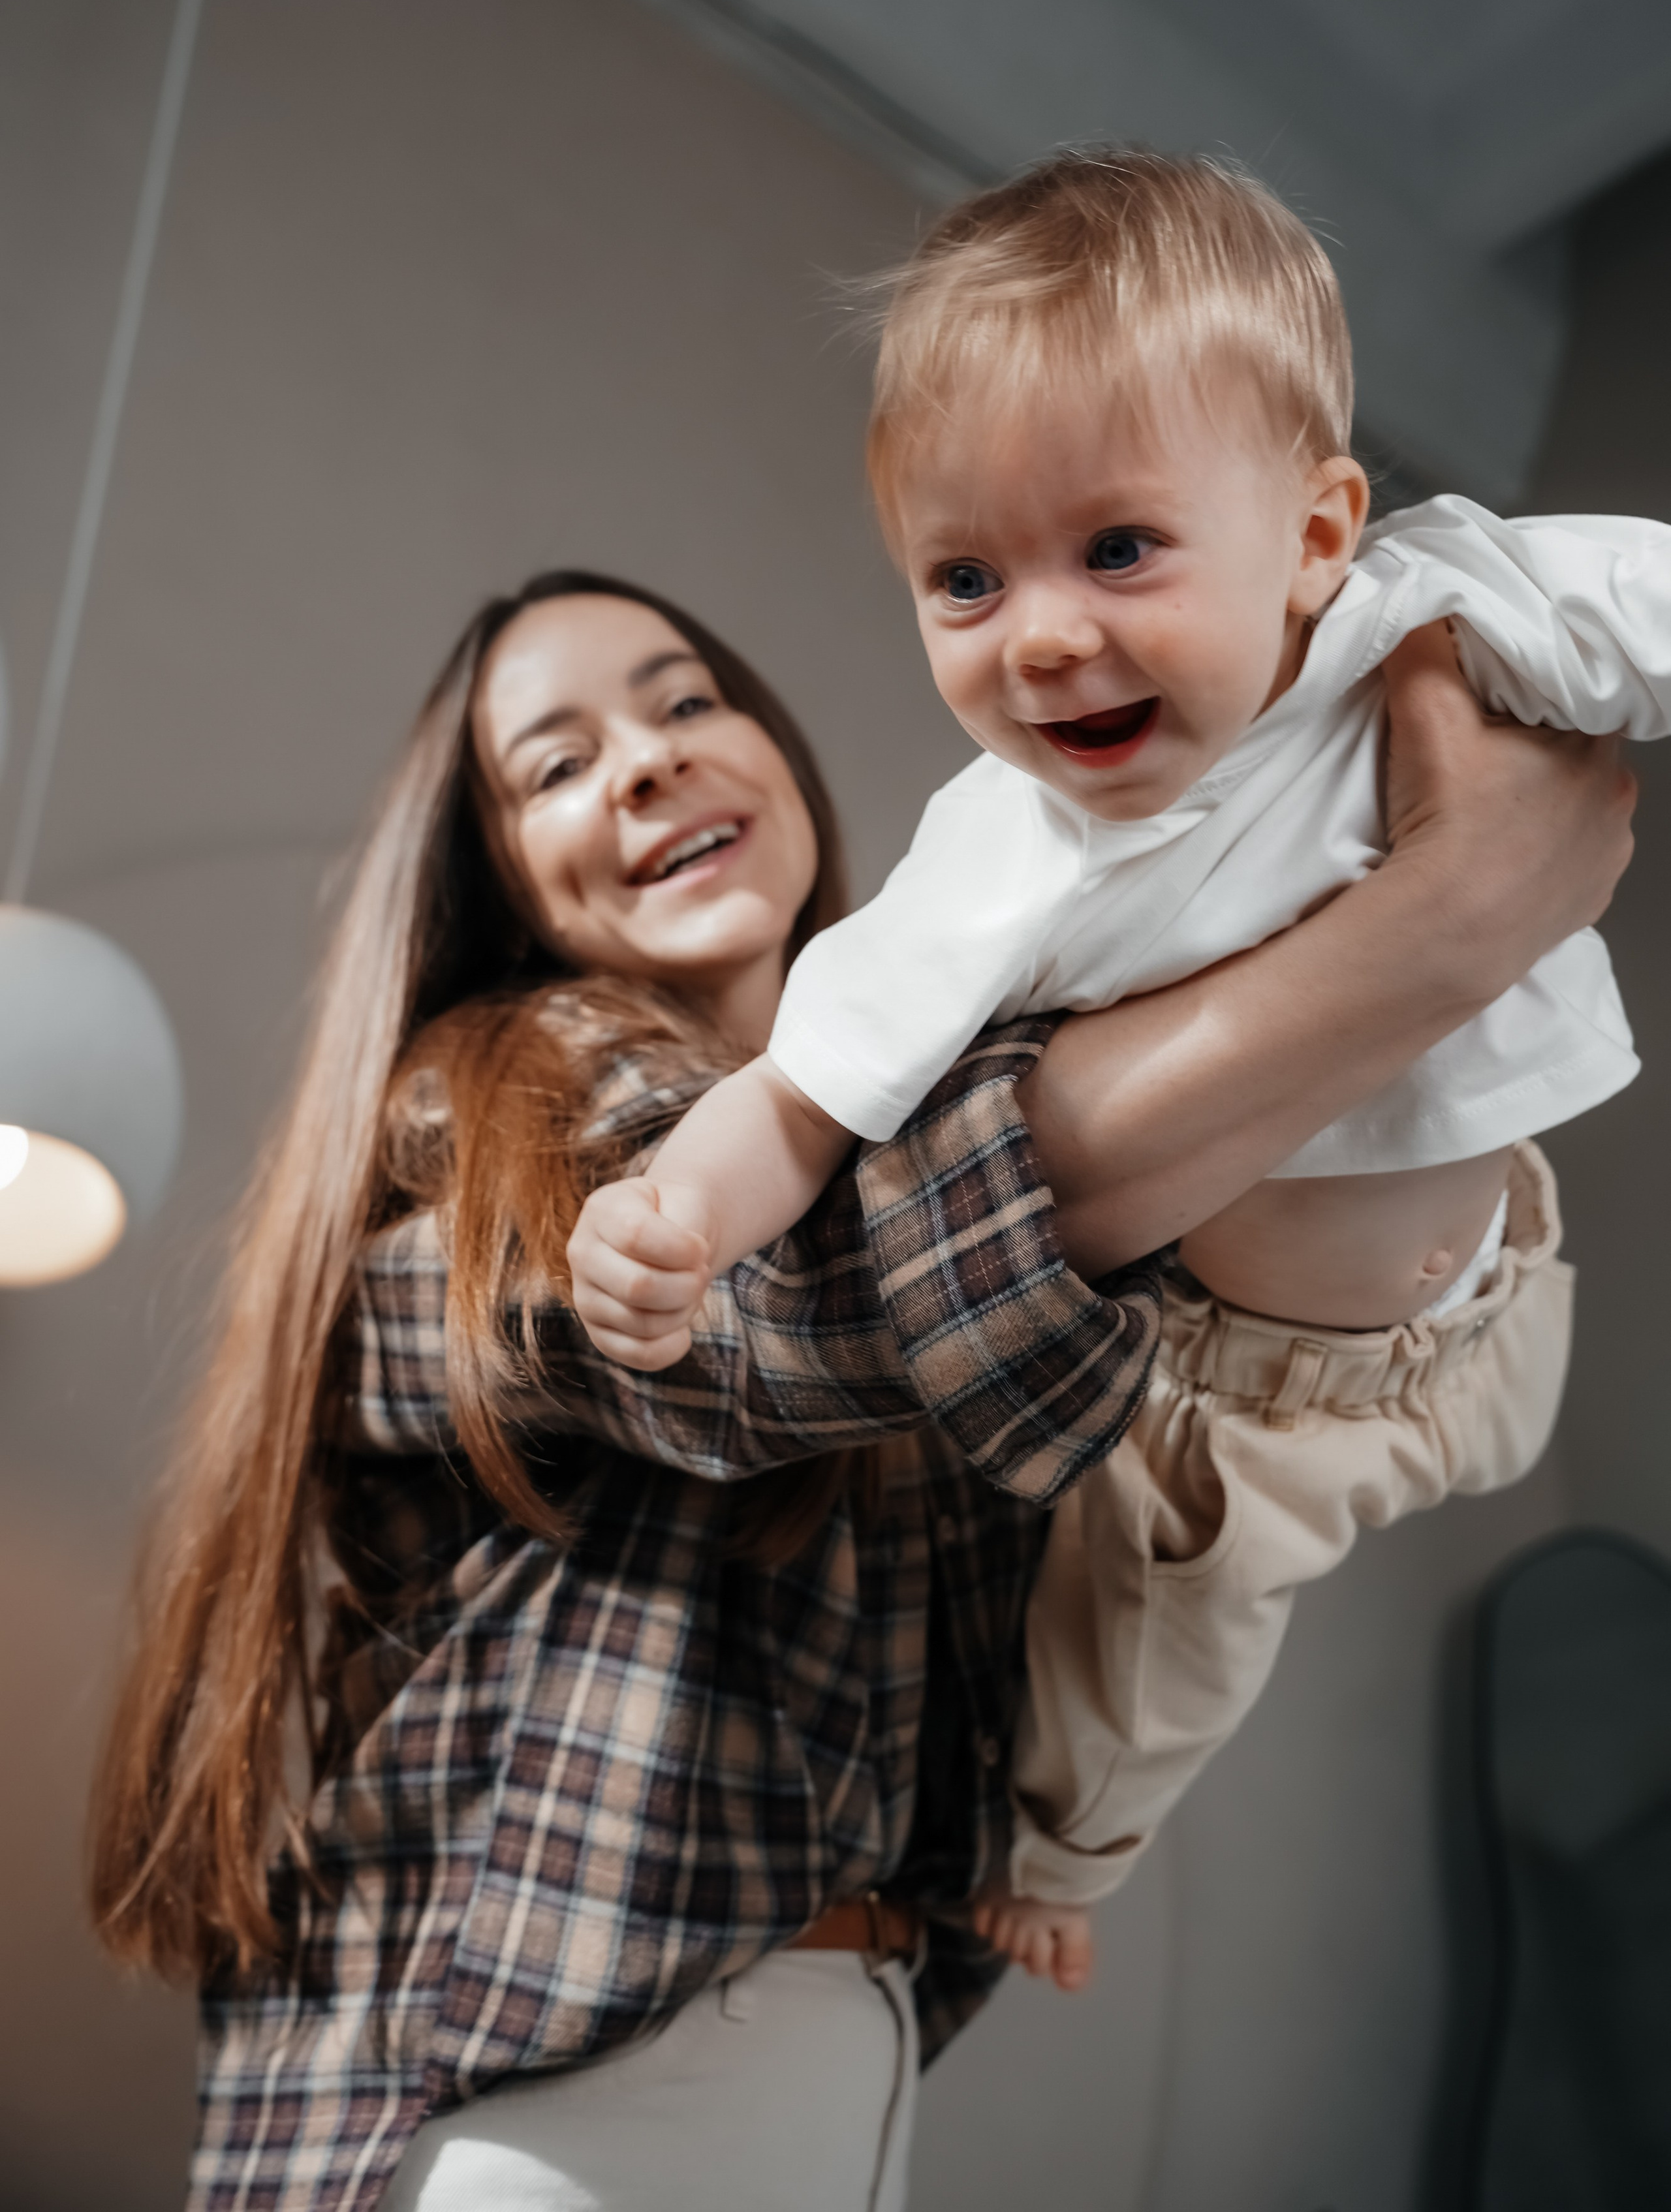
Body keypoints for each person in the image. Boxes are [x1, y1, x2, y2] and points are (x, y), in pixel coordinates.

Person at [89, 567, 1629, 2212]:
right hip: (549, 2102)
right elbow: (797, 1311)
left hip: (839, 2063)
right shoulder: (474, 1146)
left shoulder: (947, 1064)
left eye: (686, 702)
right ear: (502, 887)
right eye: (558, 765)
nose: (649, 760)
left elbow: (1241, 1405)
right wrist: (1426, 934)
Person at [567, 150, 1671, 1987]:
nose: (1044, 636)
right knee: (1152, 1667)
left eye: (1117, 549)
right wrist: (669, 1218)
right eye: (964, 578)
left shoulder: (1435, 613)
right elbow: (802, 1096)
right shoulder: (1002, 855)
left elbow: (1648, 605)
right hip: (1254, 1410)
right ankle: (1064, 1858)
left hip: (1508, 1292)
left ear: (1316, 534)